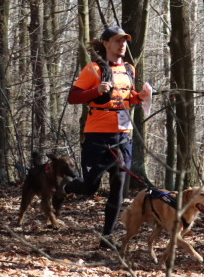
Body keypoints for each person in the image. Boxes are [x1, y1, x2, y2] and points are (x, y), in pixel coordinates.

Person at [65, 25, 151, 248]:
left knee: (118, 186)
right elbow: (73, 97)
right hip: (98, 136)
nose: (122, 44)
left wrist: (138, 97)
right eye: (117, 40)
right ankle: (64, 186)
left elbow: (126, 98)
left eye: (125, 41)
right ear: (106, 43)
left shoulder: (130, 69)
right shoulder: (93, 69)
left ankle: (107, 237)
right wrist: (95, 91)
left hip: (122, 135)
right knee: (89, 187)